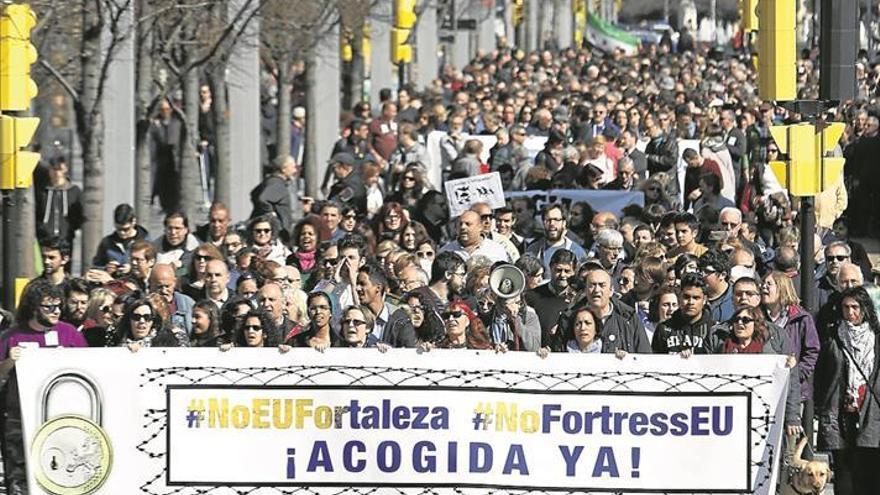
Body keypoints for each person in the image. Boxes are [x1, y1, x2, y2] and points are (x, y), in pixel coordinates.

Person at [0, 280, 88, 494]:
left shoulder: (70, 334)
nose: (56, 311)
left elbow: (89, 368)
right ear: (33, 307)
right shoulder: (11, 337)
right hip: (19, 419)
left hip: (61, 418)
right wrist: (9, 361)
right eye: (49, 307)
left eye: (59, 306)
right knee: (19, 482)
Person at [815, 286, 880, 495]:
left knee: (870, 470)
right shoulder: (833, 336)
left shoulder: (876, 338)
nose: (850, 312)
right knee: (844, 471)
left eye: (855, 307)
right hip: (840, 412)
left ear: (865, 308)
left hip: (871, 413)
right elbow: (822, 372)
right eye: (845, 307)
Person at [652, 274, 715, 355]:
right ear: (679, 297)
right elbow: (655, 363)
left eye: (696, 298)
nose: (690, 302)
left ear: (704, 300)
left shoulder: (713, 330)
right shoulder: (664, 329)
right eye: (686, 297)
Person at [34, 157, 84, 247]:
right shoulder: (42, 191)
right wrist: (41, 227)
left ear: (65, 169)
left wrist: (71, 227)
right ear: (49, 170)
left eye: (59, 169)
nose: (57, 173)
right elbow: (37, 212)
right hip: (44, 238)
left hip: (66, 238)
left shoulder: (74, 191)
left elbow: (79, 213)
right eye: (53, 169)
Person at [251, 153, 298, 241]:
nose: (295, 170)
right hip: (278, 234)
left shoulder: (271, 182)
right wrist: (271, 213)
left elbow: (254, 193)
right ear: (284, 169)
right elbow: (263, 199)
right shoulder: (277, 184)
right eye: (293, 167)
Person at [150, 98, 185, 212]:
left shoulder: (176, 122)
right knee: (163, 189)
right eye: (162, 109)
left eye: (167, 109)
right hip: (161, 163)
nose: (165, 111)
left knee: (175, 189)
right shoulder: (155, 124)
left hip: (175, 162)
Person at [118, 297, 189, 351]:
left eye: (147, 317)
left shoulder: (169, 340)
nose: (142, 321)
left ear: (153, 321)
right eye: (136, 317)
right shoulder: (116, 338)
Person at [422, 301, 493, 350]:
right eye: (446, 316)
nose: (450, 319)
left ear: (467, 321)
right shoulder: (437, 348)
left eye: (456, 315)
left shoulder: (483, 349)